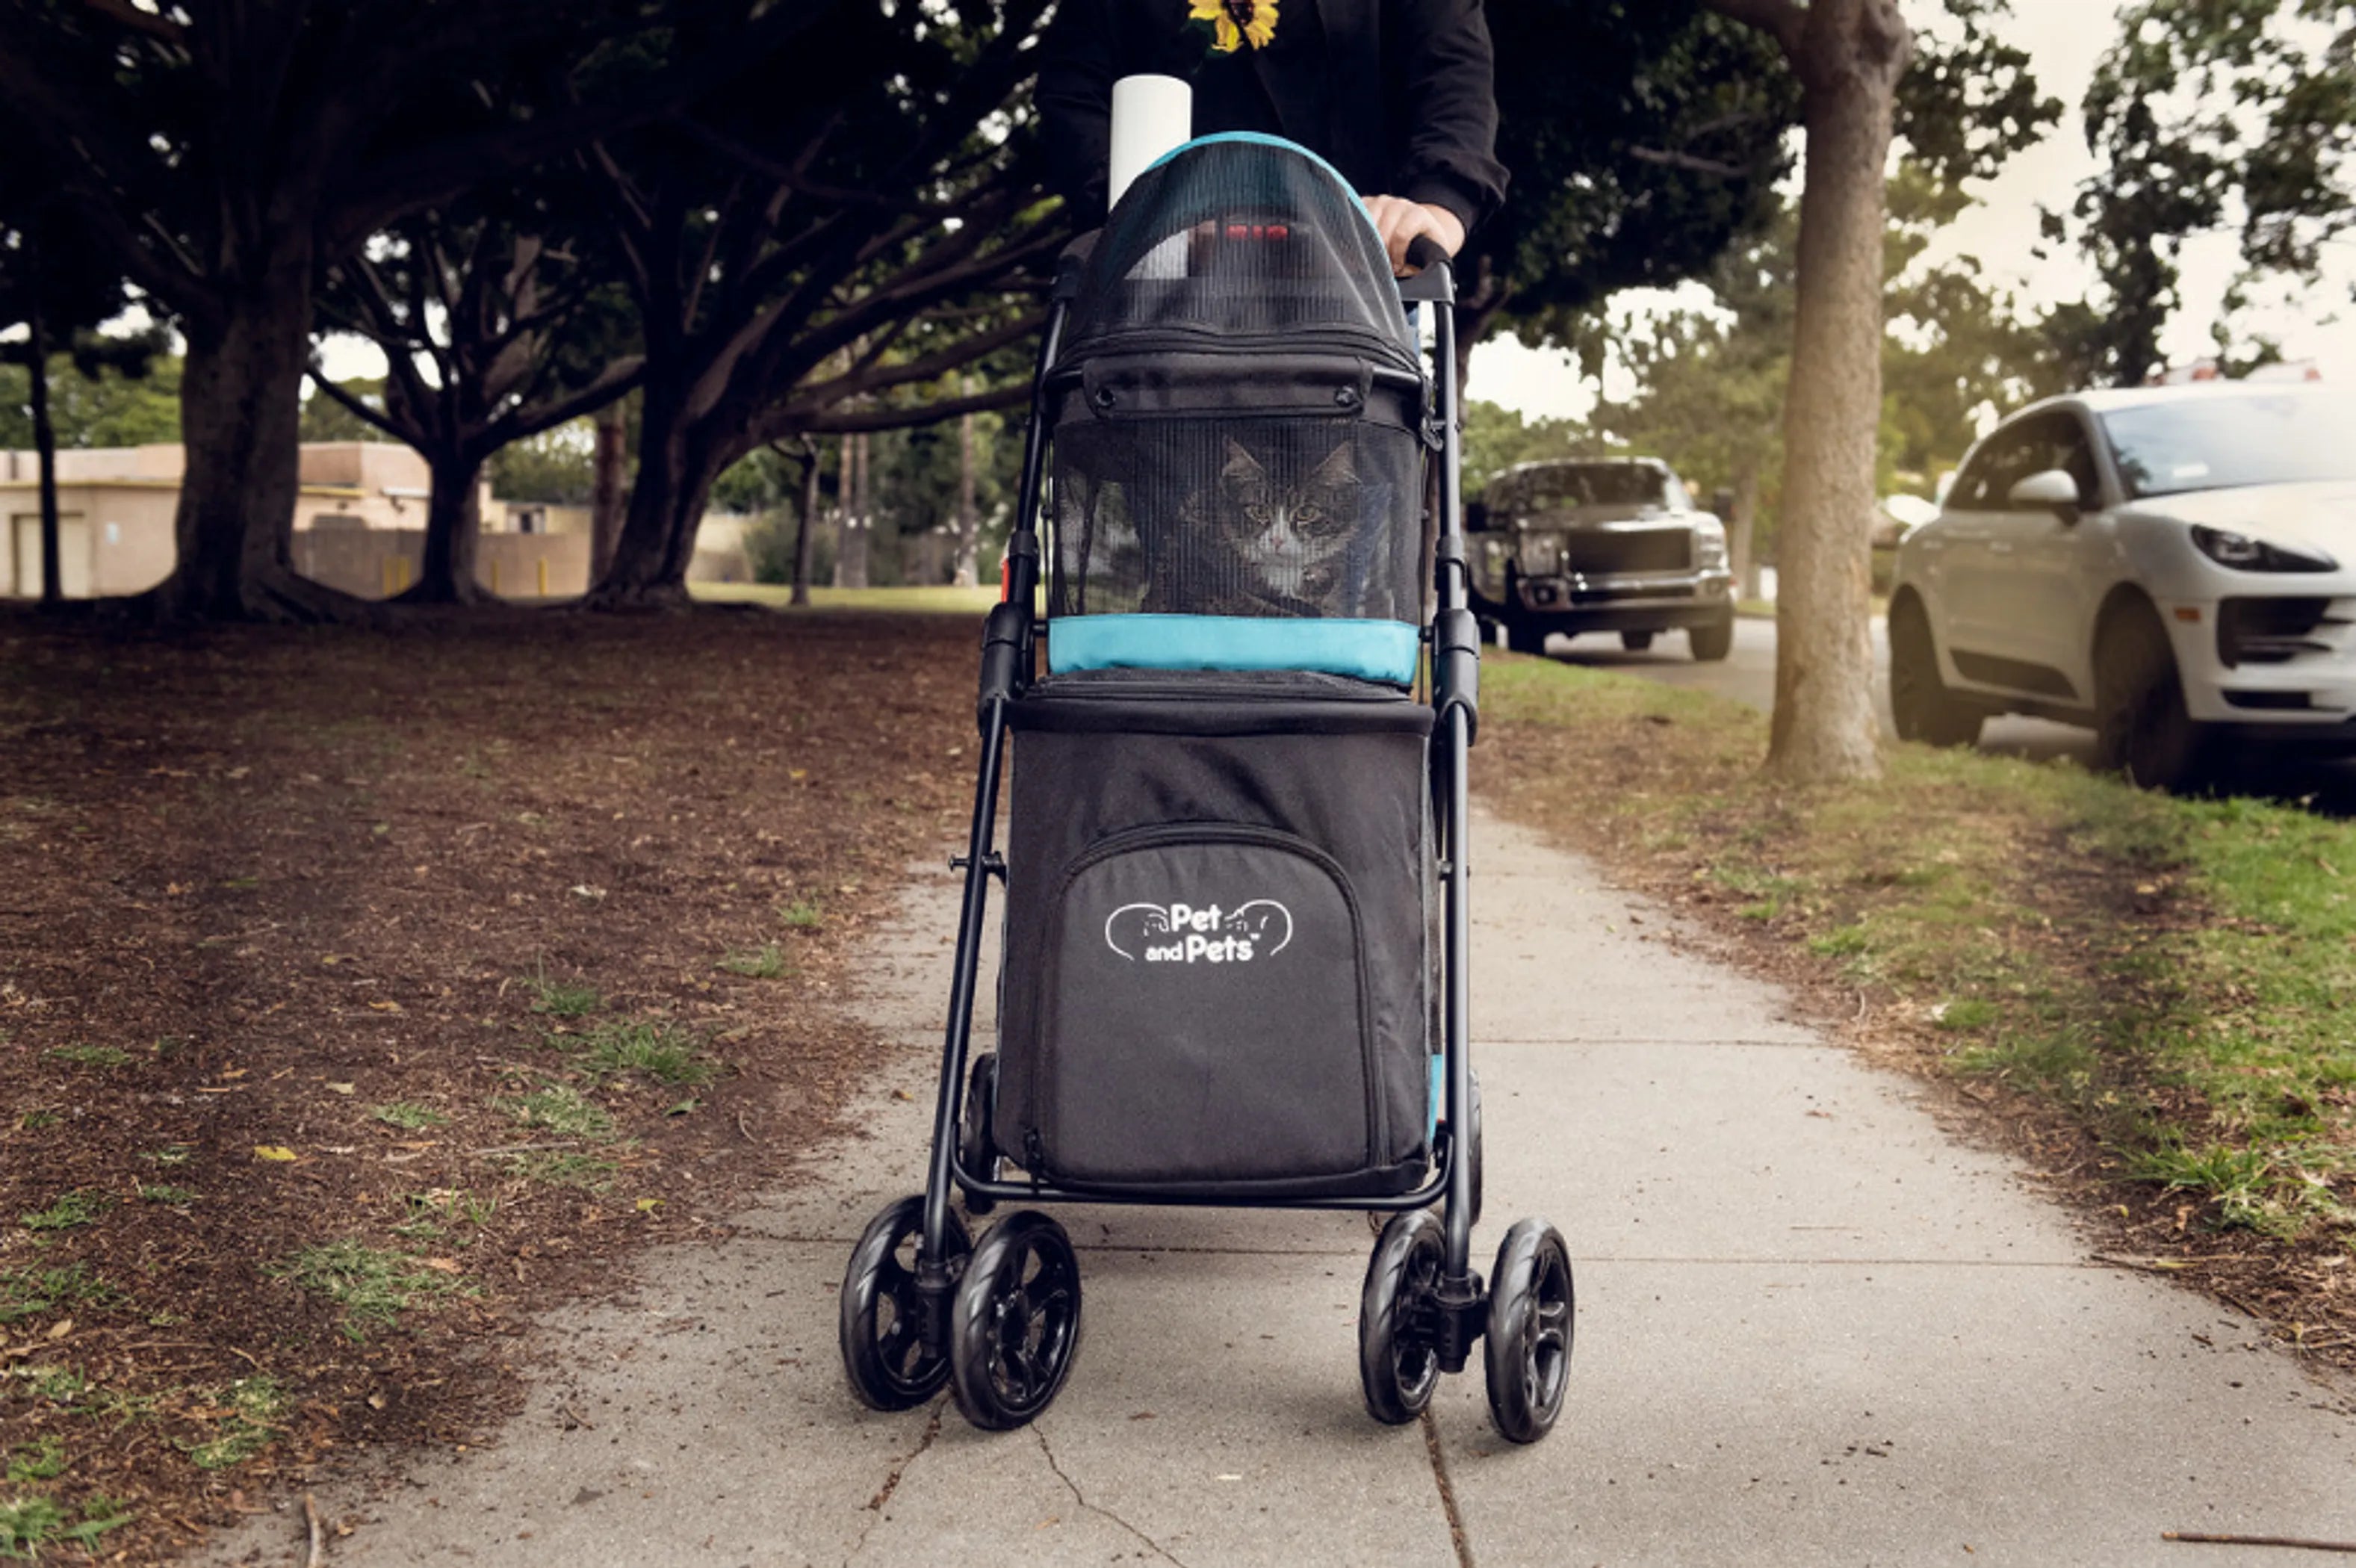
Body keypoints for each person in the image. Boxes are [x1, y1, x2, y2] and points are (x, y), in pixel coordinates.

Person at [1036, 0, 1507, 273]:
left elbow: (1452, 79)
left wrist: (1433, 216)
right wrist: (1132, 216)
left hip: (1357, 283)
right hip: (1155, 282)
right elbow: (1072, 93)